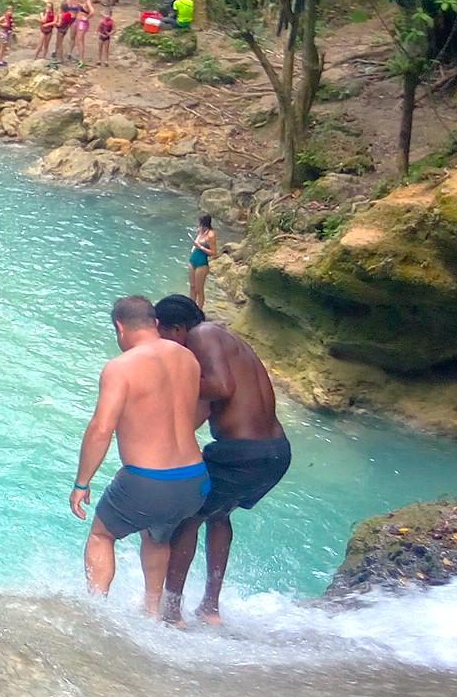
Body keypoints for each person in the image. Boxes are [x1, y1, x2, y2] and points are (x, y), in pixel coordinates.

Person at [153, 295, 293, 624]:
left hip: (241, 453)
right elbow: (207, 407)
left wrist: (171, 376)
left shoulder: (202, 334)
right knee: (219, 515)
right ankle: (210, 608)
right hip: (273, 452)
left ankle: (172, 612)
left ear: (176, 329)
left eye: (163, 338)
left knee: (188, 517)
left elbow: (220, 387)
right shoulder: (226, 341)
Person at [71, 295, 208, 620]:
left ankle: (96, 615)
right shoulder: (187, 358)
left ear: (120, 327)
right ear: (156, 324)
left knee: (103, 535)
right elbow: (197, 410)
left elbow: (101, 428)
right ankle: (151, 612)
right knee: (158, 536)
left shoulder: (121, 367)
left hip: (148, 481)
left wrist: (82, 483)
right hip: (194, 480)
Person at [188, 214, 218, 308]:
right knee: (192, 286)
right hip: (193, 259)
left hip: (202, 263)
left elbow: (213, 252)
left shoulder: (211, 235)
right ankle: (191, 307)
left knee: (199, 288)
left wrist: (200, 247)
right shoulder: (201, 231)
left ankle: (199, 309)